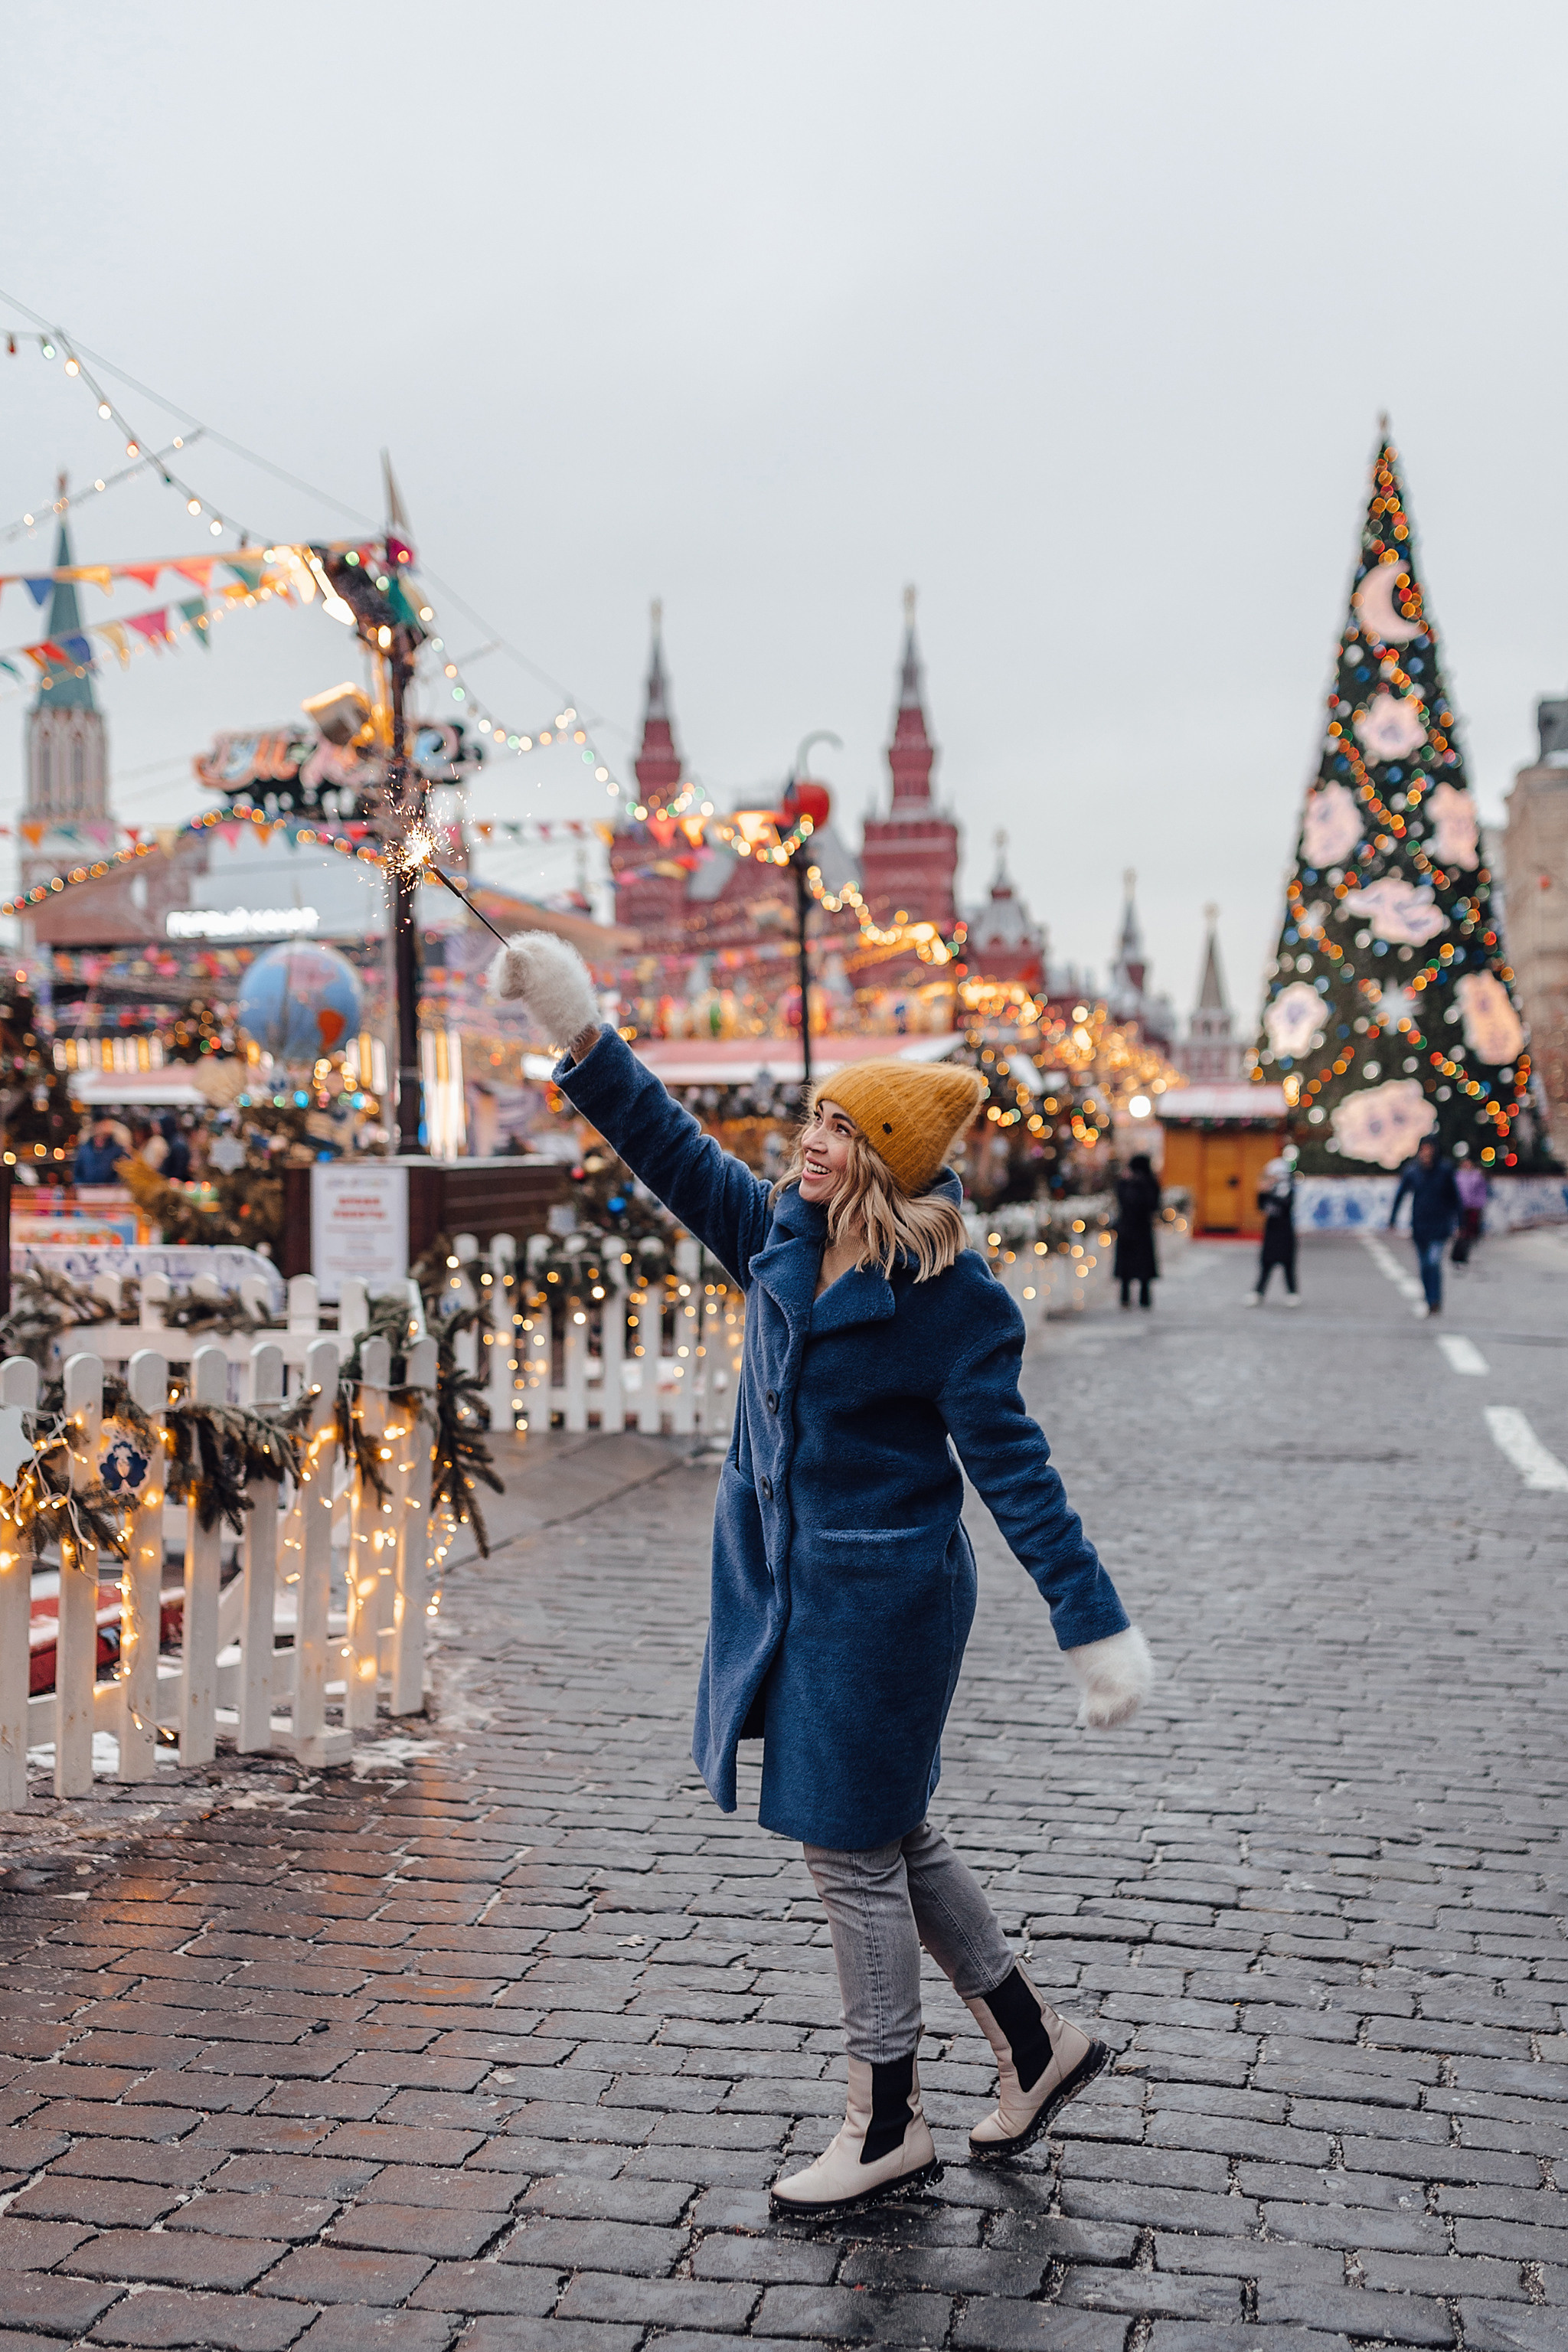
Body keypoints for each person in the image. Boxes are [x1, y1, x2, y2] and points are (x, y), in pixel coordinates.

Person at [493, 930, 1154, 2217]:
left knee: (846, 1854)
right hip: (791, 1591)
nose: (812, 1141)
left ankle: (886, 2118)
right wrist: (577, 1023)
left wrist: (1093, 1626)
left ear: (890, 1159)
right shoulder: (778, 1237)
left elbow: (1015, 1474)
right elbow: (663, 1139)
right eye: (813, 1116)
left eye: (840, 1129)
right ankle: (1031, 2043)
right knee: (894, 1831)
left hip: (887, 1604)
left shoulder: (950, 1300)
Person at [1389, 1134, 1461, 1317]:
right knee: (1423, 1266)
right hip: (1420, 1226)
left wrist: (1459, 1222)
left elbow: (1455, 1199)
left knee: (1433, 1262)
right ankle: (1429, 1299)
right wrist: (1393, 1218)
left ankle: (1435, 1300)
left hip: (1440, 1225)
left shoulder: (1445, 1170)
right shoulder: (1413, 1171)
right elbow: (1401, 1194)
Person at [1246, 1156, 1301, 1306]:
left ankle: (1292, 1292)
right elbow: (1261, 1207)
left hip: (1285, 1230)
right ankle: (1258, 1292)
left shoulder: (1288, 1189)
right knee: (1266, 1263)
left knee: (1288, 1263)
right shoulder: (1268, 1189)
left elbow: (1285, 1206)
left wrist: (1271, 1192)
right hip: (1271, 1229)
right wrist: (1262, 1191)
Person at [1113, 1152, 1161, 1309]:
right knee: (1143, 1267)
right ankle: (1144, 1298)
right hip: (1142, 1229)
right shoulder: (1150, 1184)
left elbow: (1122, 1200)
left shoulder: (1127, 1184)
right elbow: (1154, 1205)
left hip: (1127, 1228)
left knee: (1127, 1267)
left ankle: (1125, 1298)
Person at [1450, 1160, 1488, 1266]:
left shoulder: (1477, 1176)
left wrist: (1480, 1205)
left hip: (1473, 1208)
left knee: (1470, 1233)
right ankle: (1457, 1255)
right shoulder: (1457, 1176)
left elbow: (1482, 1192)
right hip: (1461, 1208)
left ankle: (1463, 1255)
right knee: (1461, 1231)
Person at [71, 1116, 124, 1186]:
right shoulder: (84, 1149)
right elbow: (77, 1171)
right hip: (86, 1190)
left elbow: (121, 1173)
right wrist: (80, 1185)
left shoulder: (116, 1150)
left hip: (109, 1191)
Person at [158, 1116, 191, 1183]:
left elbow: (179, 1168)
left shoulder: (178, 1144)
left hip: (175, 1182)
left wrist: (172, 1179)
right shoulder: (174, 1140)